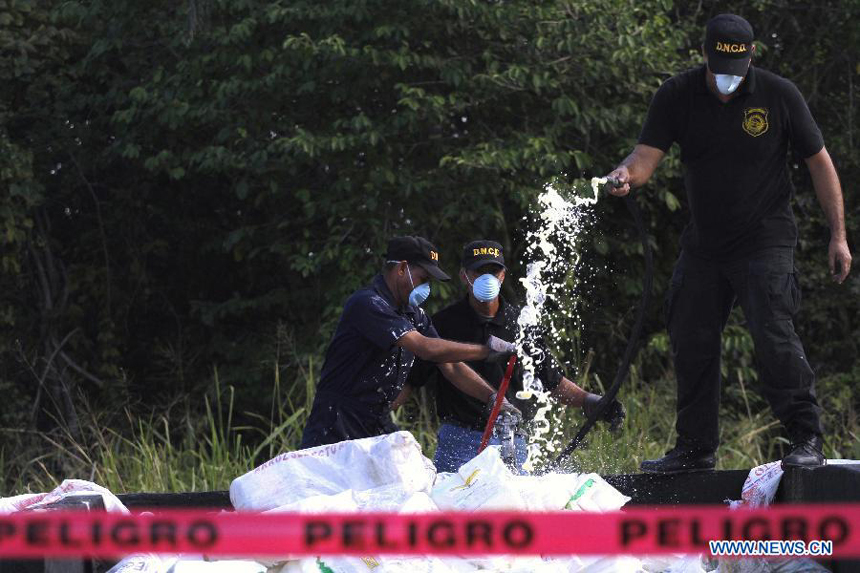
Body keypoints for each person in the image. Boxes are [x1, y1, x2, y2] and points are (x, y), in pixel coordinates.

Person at [605, 14, 852, 473]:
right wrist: (624, 176)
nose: (726, 80)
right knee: (690, 334)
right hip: (705, 244)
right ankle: (695, 449)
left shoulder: (779, 95)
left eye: (735, 70)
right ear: (705, 55)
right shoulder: (677, 95)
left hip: (765, 238)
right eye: (719, 66)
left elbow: (819, 162)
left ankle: (806, 437)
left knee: (773, 334)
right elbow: (644, 158)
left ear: (751, 57)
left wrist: (838, 235)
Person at [401, 240, 625, 473]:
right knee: (455, 506)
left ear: (503, 276)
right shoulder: (444, 323)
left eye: (493, 271)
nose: (486, 278)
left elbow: (551, 381)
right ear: (463, 276)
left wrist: (591, 401)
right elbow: (413, 380)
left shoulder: (522, 323)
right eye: (479, 272)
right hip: (460, 440)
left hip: (509, 439)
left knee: (513, 507)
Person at [300, 235, 520, 449]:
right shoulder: (368, 303)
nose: (427, 288)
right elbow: (425, 348)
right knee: (335, 486)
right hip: (337, 421)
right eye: (424, 279)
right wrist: (486, 350)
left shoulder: (414, 314)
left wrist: (494, 400)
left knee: (408, 478)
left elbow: (450, 365)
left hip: (376, 420)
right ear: (402, 268)